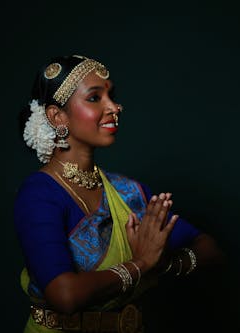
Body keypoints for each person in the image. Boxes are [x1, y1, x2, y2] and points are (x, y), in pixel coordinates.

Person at [14, 55, 224, 333]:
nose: (114, 107)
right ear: (57, 116)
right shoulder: (39, 194)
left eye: (111, 96)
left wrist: (162, 265)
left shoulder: (128, 192)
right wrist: (140, 265)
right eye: (94, 98)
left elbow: (210, 248)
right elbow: (64, 295)